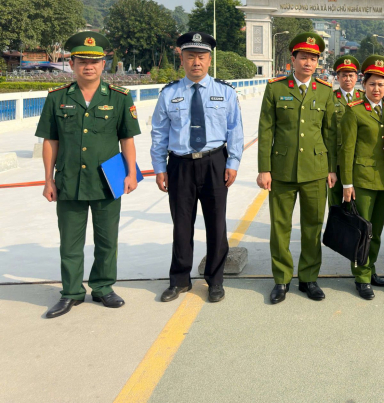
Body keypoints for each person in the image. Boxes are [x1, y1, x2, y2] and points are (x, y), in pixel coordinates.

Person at [35, 31, 141, 318]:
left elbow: (127, 139)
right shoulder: (57, 99)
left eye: (95, 61)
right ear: (72, 64)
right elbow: (50, 140)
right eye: (82, 61)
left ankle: (103, 288)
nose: (89, 66)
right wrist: (47, 179)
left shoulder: (119, 98)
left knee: (107, 240)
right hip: (69, 181)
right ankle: (71, 292)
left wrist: (131, 173)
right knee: (70, 242)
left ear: (103, 64)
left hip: (108, 181)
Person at [151, 32, 244, 304]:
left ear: (209, 60)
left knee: (217, 225)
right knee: (181, 225)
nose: (196, 62)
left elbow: (235, 130)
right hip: (179, 165)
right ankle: (180, 280)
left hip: (215, 162)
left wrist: (233, 163)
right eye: (190, 56)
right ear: (181, 59)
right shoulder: (169, 94)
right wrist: (159, 168)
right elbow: (159, 133)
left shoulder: (225, 93)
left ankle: (215, 281)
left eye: (201, 57)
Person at [257, 32, 337, 304]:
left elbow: (330, 133)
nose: (308, 63)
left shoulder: (325, 92)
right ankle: (281, 280)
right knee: (280, 227)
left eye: (313, 58)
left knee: (313, 226)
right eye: (303, 57)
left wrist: (332, 168)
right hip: (281, 169)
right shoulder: (276, 88)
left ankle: (308, 278)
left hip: (315, 170)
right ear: (293, 59)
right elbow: (265, 130)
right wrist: (264, 168)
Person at [339, 55, 384, 300]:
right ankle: (361, 277)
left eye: (381, 84)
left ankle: (370, 268)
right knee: (363, 231)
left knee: (378, 231)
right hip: (362, 180)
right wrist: (347, 182)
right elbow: (347, 149)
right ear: (364, 85)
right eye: (372, 84)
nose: (376, 89)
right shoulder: (355, 111)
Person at [330, 56, 363, 207]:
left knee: (356, 201)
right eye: (344, 75)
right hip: (336, 159)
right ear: (338, 77)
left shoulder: (363, 98)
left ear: (357, 77)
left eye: (351, 75)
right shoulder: (330, 98)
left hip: (357, 159)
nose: (348, 79)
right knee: (335, 202)